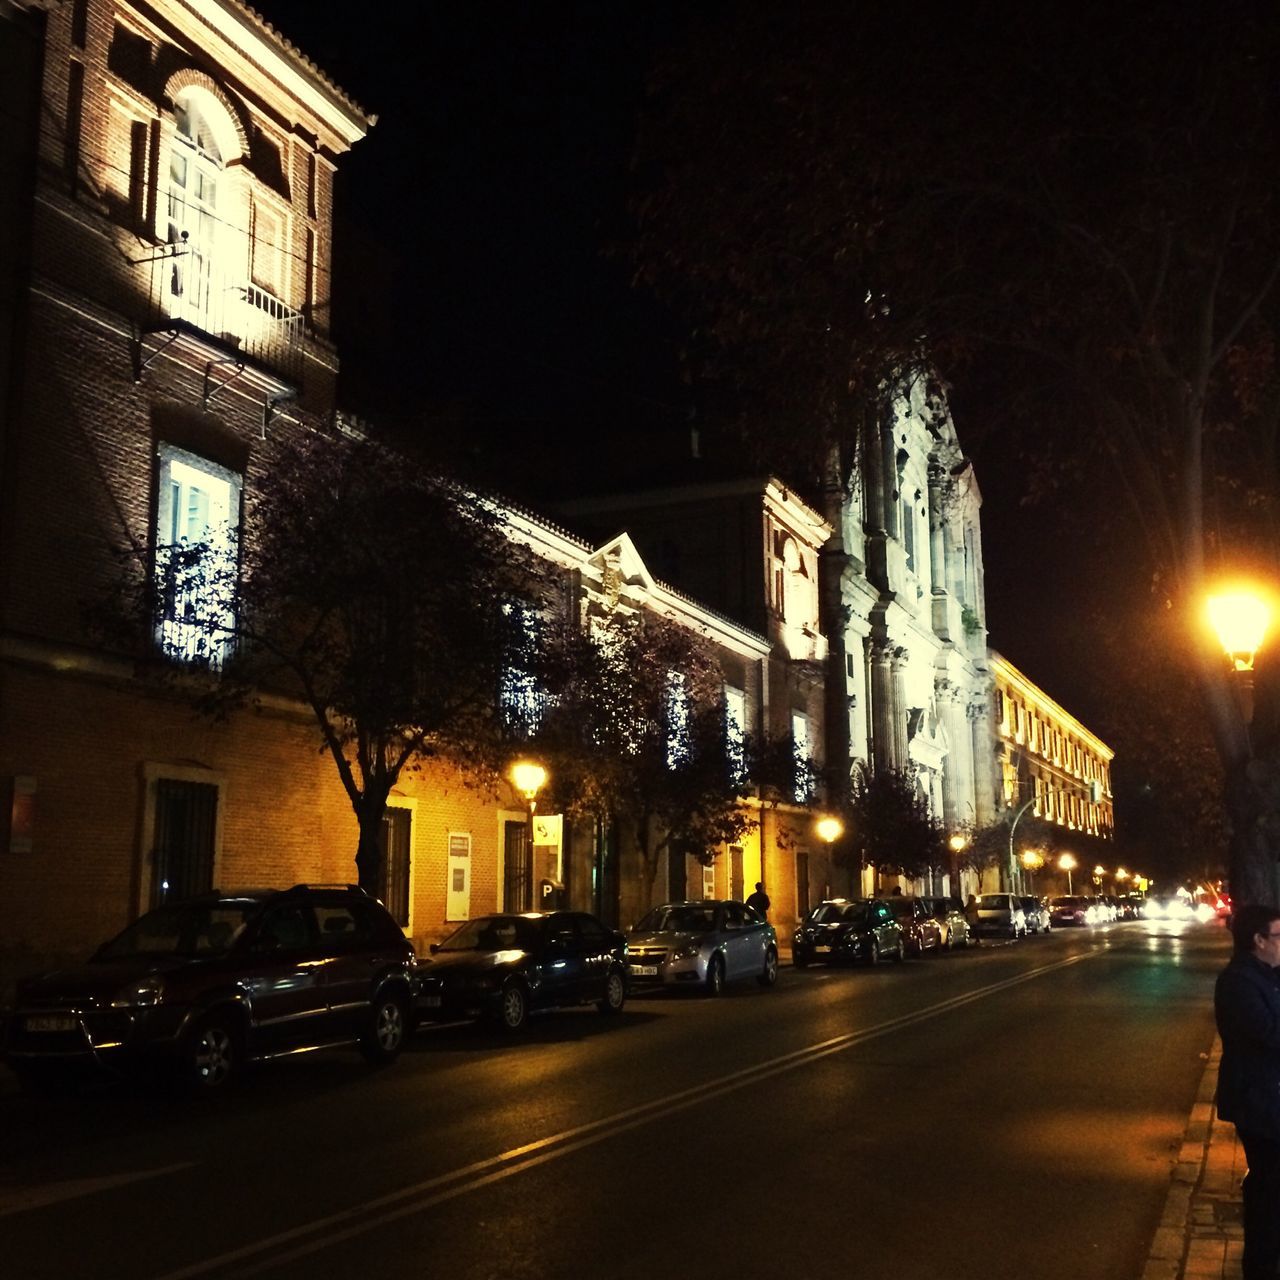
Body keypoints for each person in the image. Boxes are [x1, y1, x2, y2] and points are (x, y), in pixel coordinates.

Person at [1214, 903, 1280, 1280]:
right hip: (1257, 1100)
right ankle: (1260, 1264)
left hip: (1269, 1095)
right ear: (1259, 940)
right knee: (1268, 1186)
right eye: (1279, 936)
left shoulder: (1268, 974)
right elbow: (1269, 1034)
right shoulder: (1239, 981)